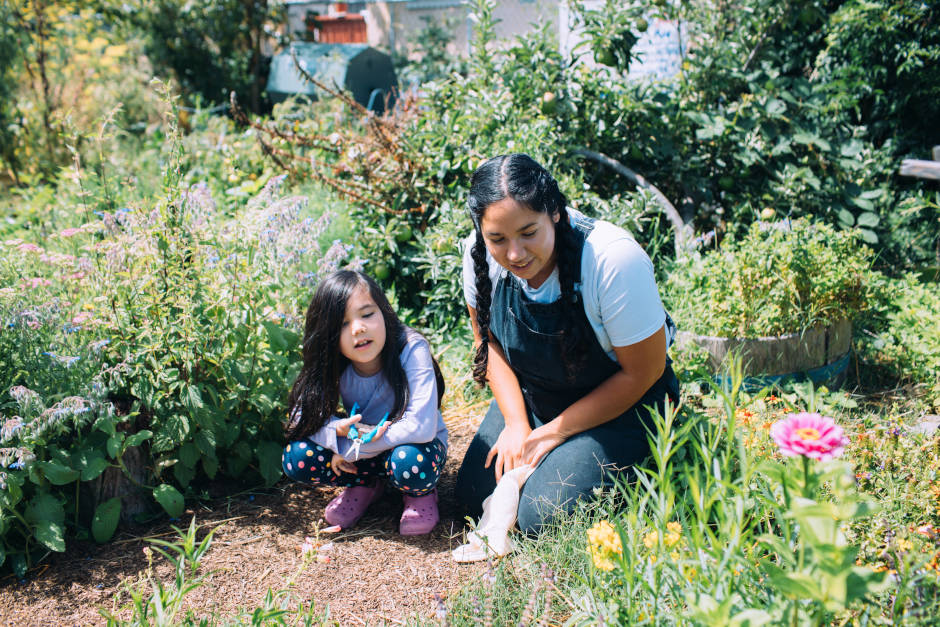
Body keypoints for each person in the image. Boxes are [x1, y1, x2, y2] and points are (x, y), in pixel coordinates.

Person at [454, 153, 680, 534]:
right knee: (473, 496)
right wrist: (516, 422)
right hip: (539, 396)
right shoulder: (479, 254)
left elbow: (645, 371)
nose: (514, 254)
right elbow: (486, 342)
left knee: (538, 518)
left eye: (529, 233)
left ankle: (647, 464)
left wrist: (556, 431)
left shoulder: (611, 260)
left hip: (626, 406)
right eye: (498, 239)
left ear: (555, 213)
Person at [282, 270, 448, 535]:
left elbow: (421, 427)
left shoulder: (411, 348)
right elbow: (298, 418)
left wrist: (352, 450)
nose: (358, 328)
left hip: (413, 450)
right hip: (365, 454)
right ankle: (365, 485)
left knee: (409, 460)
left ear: (384, 312)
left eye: (367, 314)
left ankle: (421, 494)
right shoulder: (334, 364)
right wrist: (334, 433)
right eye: (342, 324)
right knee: (298, 457)